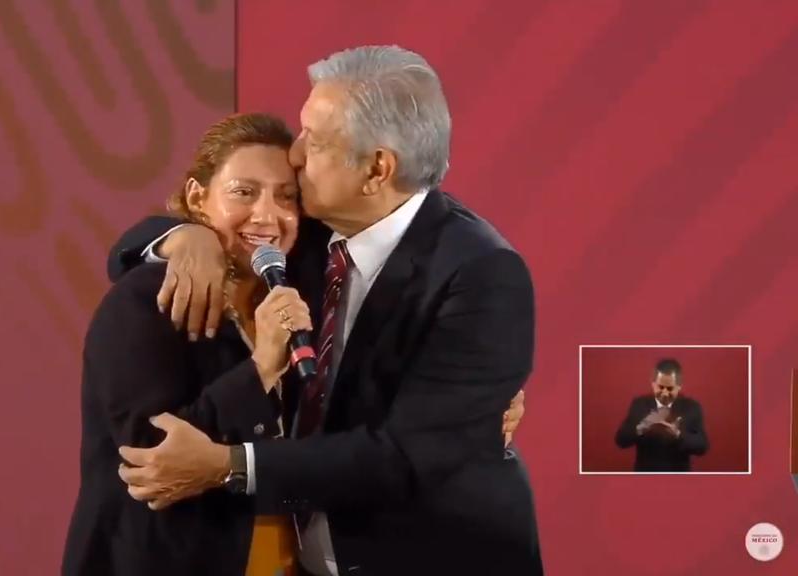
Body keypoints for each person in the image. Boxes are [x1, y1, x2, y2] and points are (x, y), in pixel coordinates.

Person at [109, 46, 541, 575]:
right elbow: (166, 235)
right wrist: (185, 236)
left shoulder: (482, 275)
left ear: (377, 169)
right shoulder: (311, 227)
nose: (294, 154)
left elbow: (402, 458)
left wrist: (228, 465)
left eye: (314, 140)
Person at [62, 113, 314, 576]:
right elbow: (151, 454)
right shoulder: (147, 300)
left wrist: (176, 233)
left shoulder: (294, 293)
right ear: (198, 197)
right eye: (244, 192)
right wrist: (261, 367)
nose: (267, 215)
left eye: (286, 196)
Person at [615, 358, 708, 471]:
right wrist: (641, 427)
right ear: (653, 383)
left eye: (670, 388)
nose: (665, 393)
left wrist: (678, 434)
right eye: (660, 387)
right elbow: (620, 440)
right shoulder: (639, 405)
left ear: (679, 386)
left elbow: (702, 446)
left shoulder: (691, 407)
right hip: (645, 476)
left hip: (678, 476)